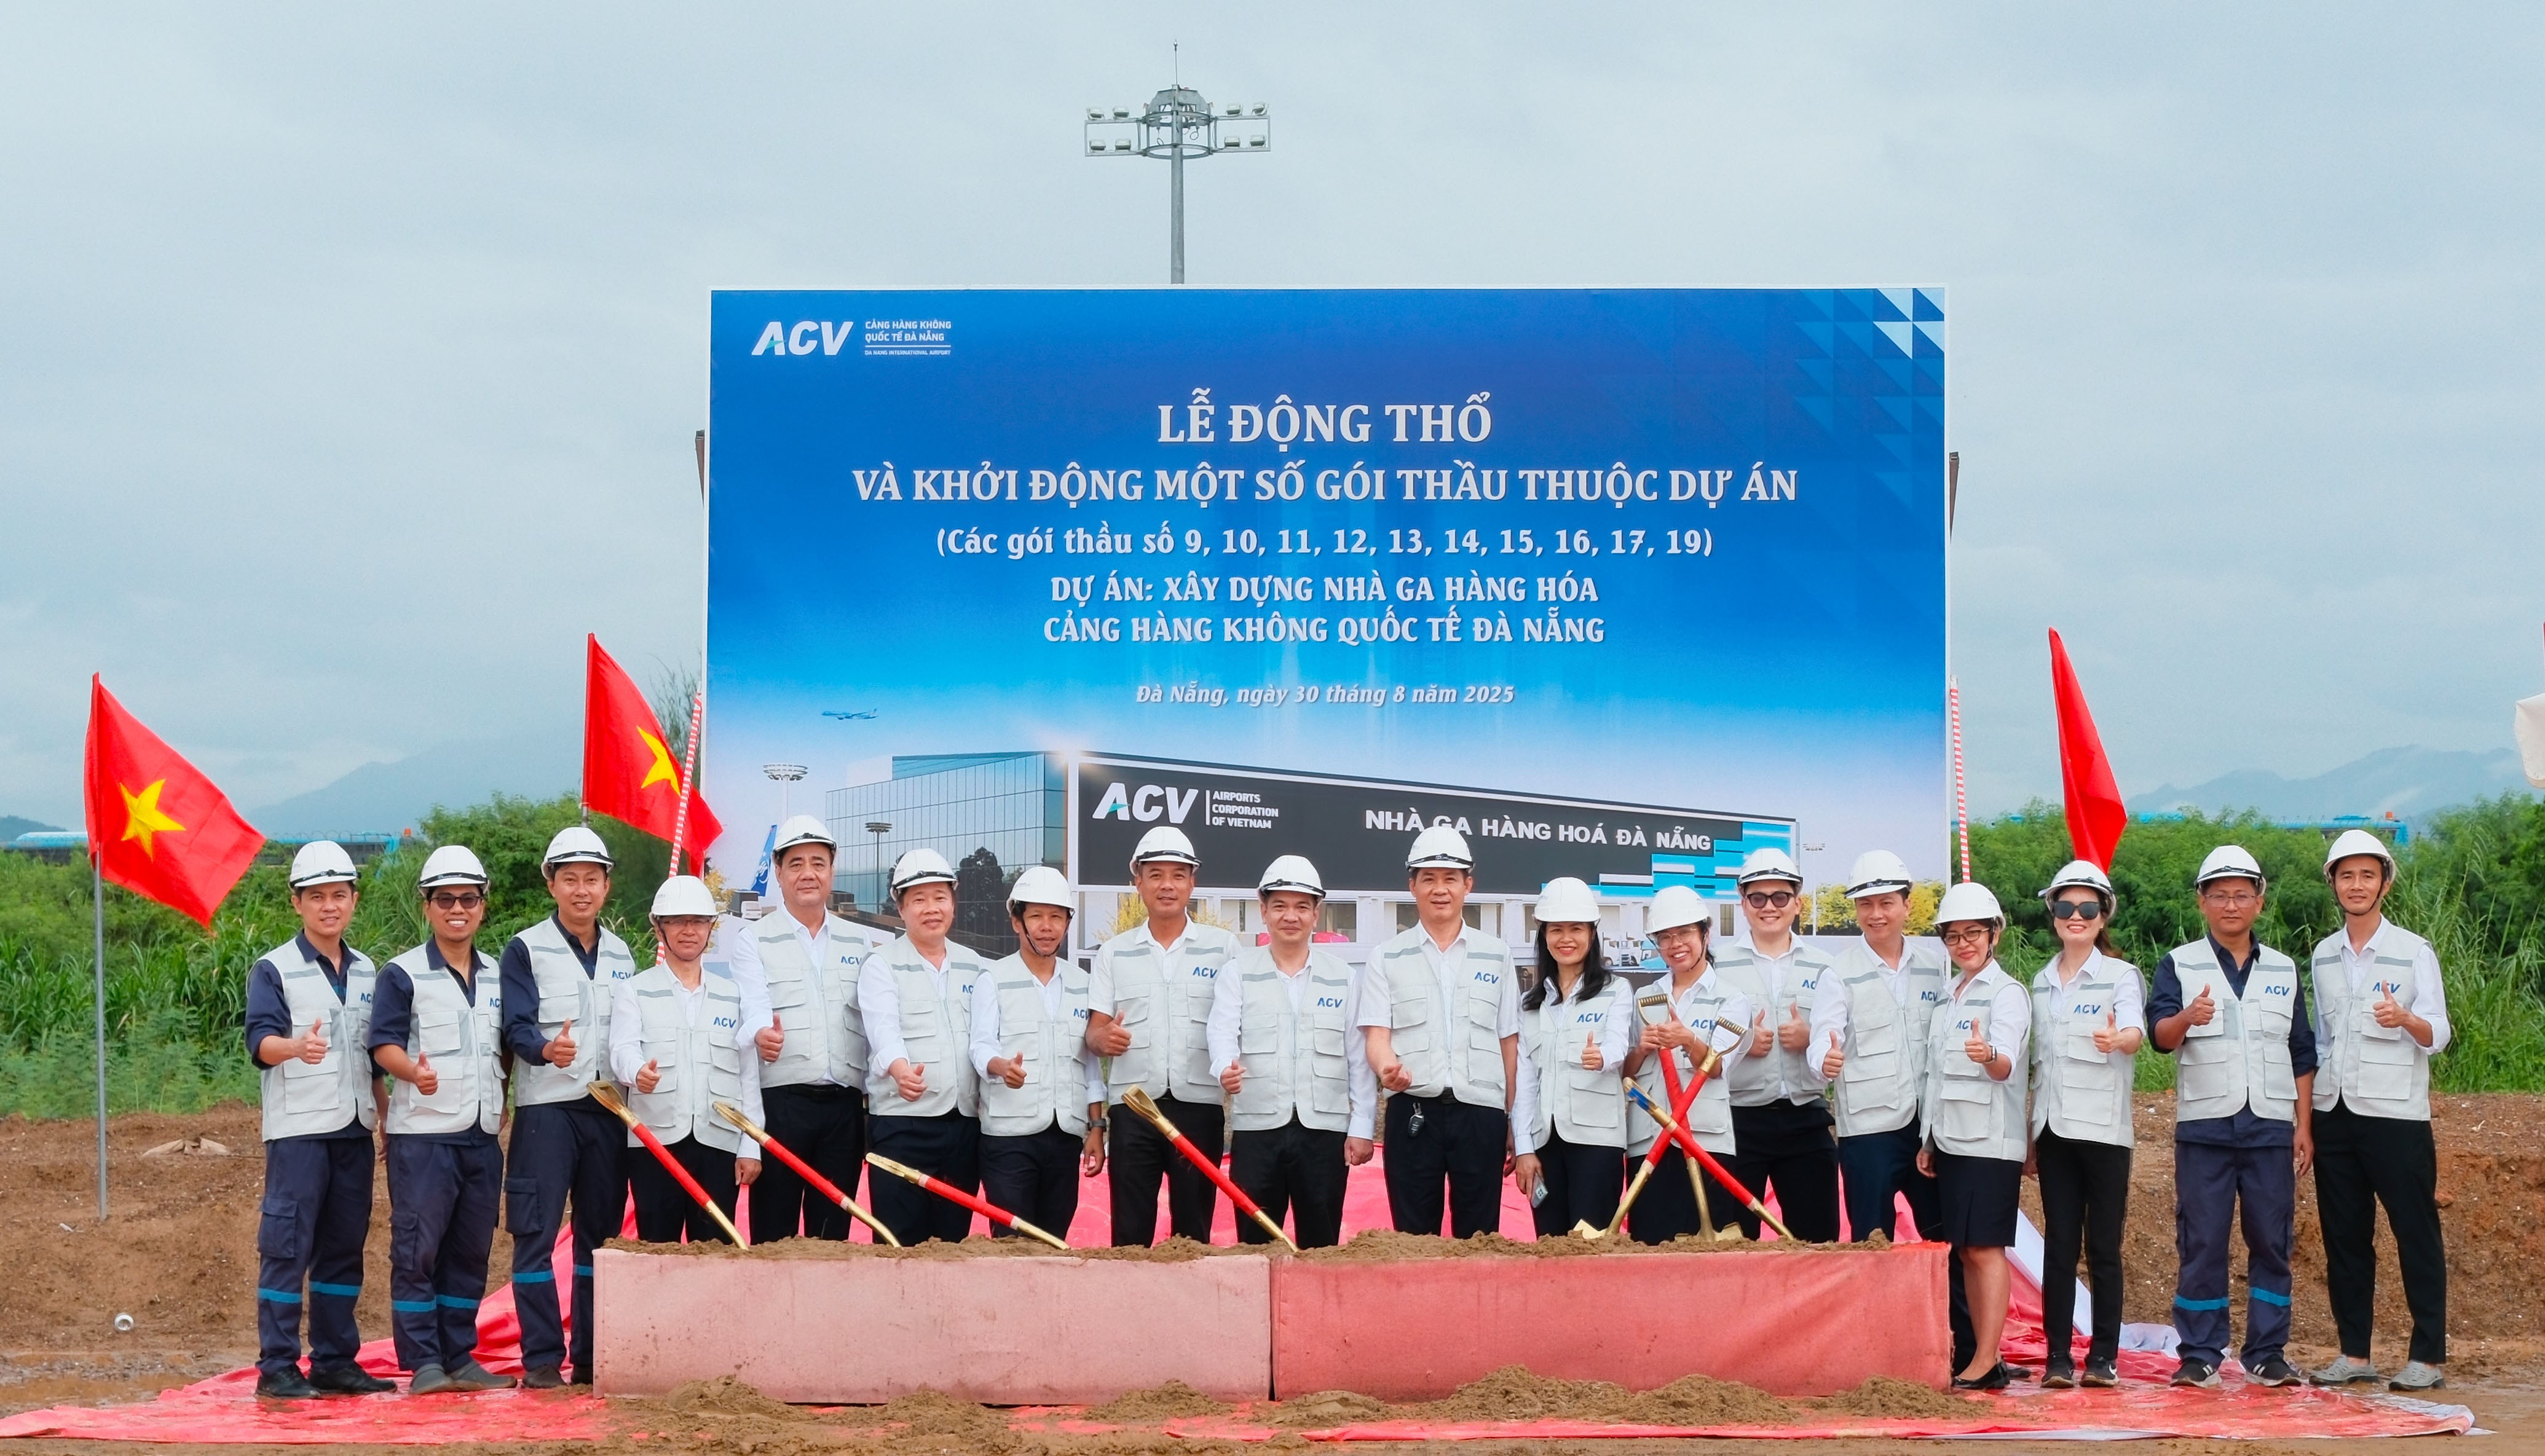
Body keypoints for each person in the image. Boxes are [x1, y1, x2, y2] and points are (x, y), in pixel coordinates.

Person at [2147, 844, 2316, 1390]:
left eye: (2242, 894)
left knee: (2271, 1240)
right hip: (2205, 1128)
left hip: (2270, 1127)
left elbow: (2301, 1051)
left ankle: (2266, 1352)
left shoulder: (2284, 968)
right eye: (2219, 895)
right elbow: (2159, 1037)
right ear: (2202, 901)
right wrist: (2187, 1017)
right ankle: (2200, 1352)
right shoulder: (2179, 963)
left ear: (2259, 902)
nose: (2231, 905)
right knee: (2203, 1240)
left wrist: (2304, 1125)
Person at [242, 841, 394, 1399]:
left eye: (339, 895)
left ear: (354, 899)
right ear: (297, 902)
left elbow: (370, 1053)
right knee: (287, 1246)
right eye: (317, 896)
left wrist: (383, 1113)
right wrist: (295, 1047)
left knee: (343, 1247)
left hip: (353, 1130)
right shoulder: (274, 969)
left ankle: (334, 1361)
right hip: (299, 1132)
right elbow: (259, 1042)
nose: (329, 906)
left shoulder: (367, 970)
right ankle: (277, 1366)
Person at [2306, 829, 2451, 1393]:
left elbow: (2439, 1032)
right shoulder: (2323, 954)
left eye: (2368, 874)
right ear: (2333, 884)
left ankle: (2428, 1357)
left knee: (2415, 1232)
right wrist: (2309, 1116)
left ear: (2384, 883)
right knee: (2345, 1236)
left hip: (2396, 1116)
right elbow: (2322, 1039)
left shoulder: (2413, 951)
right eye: (2346, 875)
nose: (2357, 885)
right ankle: (2355, 1352)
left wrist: (2407, 1020)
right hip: (2335, 1111)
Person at [368, 846, 513, 1395]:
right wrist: (413, 1072)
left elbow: (505, 1047)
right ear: (427, 905)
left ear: (483, 904)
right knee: (418, 1249)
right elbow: (382, 1044)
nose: (458, 909)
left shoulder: (498, 975)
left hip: (480, 1136)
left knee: (471, 1249)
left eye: (468, 899)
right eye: (445, 899)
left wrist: (500, 1095)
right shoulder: (402, 973)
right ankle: (424, 1361)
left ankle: (459, 1355)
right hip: (423, 1138)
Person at [500, 825, 637, 1390]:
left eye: (592, 879)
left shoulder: (623, 953)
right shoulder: (526, 948)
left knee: (599, 1238)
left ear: (607, 886)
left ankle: (589, 1357)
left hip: (607, 1111)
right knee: (535, 1232)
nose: (582, 890)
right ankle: (540, 1359)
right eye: (570, 879)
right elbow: (515, 1025)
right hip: (547, 1110)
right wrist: (543, 1049)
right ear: (551, 884)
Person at [1359, 825, 1522, 1238]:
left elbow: (1509, 1042)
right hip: (1413, 1112)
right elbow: (1377, 1037)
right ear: (1412, 886)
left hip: (1482, 1115)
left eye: (1450, 878)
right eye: (1428, 878)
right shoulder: (1386, 957)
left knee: (1480, 1238)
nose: (1440, 889)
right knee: (1413, 1240)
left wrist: (1513, 1120)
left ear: (1468, 885)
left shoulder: (1497, 955)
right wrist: (1387, 1068)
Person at [1207, 856, 1376, 1248]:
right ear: (1263, 910)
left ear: (1317, 914)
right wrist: (1223, 1068)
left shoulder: (1343, 978)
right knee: (1256, 1243)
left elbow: (1358, 1057)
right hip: (1257, 1131)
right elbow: (1222, 1031)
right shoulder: (1238, 972)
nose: (1290, 916)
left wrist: (1362, 1127)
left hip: (1324, 1134)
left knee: (1321, 1244)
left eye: (1302, 907)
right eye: (1280, 906)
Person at [1084, 826, 1241, 1245]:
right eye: (1155, 874)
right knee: (1130, 1232)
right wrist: (1104, 1039)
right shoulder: (1114, 952)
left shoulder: (1224, 948)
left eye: (1178, 875)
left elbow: (1239, 1023)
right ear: (1137, 881)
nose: (1167, 885)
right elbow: (1094, 1032)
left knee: (1193, 1232)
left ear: (1193, 881)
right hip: (1133, 1109)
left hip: (1199, 1109)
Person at [2024, 860, 2143, 1390]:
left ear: (2103, 916)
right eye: (2067, 906)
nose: (2077, 915)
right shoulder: (2040, 982)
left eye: (2088, 907)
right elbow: (2038, 1065)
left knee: (2103, 1248)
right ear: (2054, 914)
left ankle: (2103, 1357)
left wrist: (2120, 1039)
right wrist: (2030, 1136)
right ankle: (2057, 1357)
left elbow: (2135, 1029)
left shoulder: (2121, 976)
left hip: (2104, 1132)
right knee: (2059, 1247)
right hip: (2054, 1133)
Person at [728, 815, 874, 1242]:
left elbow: (875, 1021)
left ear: (832, 870)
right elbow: (753, 1005)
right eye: (795, 863)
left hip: (844, 1110)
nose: (808, 873)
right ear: (778, 872)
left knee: (833, 1235)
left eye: (818, 863)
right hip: (781, 1106)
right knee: (775, 1235)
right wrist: (762, 1032)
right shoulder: (753, 939)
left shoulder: (859, 941)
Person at [1916, 881, 2032, 1391]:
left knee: (1986, 1249)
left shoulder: (2007, 994)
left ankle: (1985, 1359)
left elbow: (2005, 1062)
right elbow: (1935, 1077)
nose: (1963, 944)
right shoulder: (1949, 997)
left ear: (1994, 934)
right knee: (1965, 1250)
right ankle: (1986, 1356)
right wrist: (1928, 1140)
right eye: (1953, 935)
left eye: (1973, 933)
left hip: (1990, 1143)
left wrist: (1989, 1056)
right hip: (1952, 1141)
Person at [610, 875, 763, 1242]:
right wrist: (636, 1072)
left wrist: (750, 1145)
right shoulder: (635, 991)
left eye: (698, 921)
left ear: (711, 927)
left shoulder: (734, 996)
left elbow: (747, 1077)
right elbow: (621, 1050)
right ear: (658, 927)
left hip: (719, 1145)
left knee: (714, 1256)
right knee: (658, 1253)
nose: (689, 931)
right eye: (677, 921)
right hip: (655, 1147)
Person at [1811, 849, 1947, 1243]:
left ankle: (1946, 1291)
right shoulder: (1838, 973)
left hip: (1927, 1128)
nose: (1876, 914)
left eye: (1886, 903)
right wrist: (1824, 1060)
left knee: (1943, 1238)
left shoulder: (1932, 967)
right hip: (1868, 1133)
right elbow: (1823, 1035)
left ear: (1907, 905)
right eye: (1866, 905)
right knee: (1872, 1242)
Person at [1710, 847, 1841, 1242]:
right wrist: (1742, 1044)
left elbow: (1839, 1034)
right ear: (1743, 904)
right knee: (1734, 1243)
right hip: (1738, 1122)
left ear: (1797, 903)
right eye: (1758, 898)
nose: (1770, 907)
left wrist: (1810, 1037)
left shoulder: (1824, 965)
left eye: (1781, 897)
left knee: (1816, 1242)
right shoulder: (1718, 965)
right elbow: (1701, 1041)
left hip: (1806, 1120)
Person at [859, 848, 989, 1245]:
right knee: (900, 1245)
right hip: (902, 1125)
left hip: (963, 1125)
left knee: (952, 1242)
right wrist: (900, 1070)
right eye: (918, 899)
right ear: (900, 907)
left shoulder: (975, 965)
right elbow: (883, 1029)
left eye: (940, 897)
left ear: (953, 901)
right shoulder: (881, 963)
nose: (931, 908)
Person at [971, 867, 1105, 1238]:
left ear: (1067, 923)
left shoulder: (1083, 984)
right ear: (1017, 922)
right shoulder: (993, 979)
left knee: (1053, 1242)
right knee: (1012, 1243)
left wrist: (1097, 1128)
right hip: (1008, 1139)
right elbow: (980, 1045)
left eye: (1056, 917)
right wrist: (1000, 1066)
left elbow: (1090, 1064)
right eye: (1036, 917)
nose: (1047, 927)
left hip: (1065, 1136)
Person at [1620, 884, 1753, 1243]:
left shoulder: (1731, 999)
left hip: (1706, 1143)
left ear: (1705, 934)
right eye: (1665, 937)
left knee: (1704, 1253)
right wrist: (1642, 1049)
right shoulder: (1645, 996)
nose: (1675, 944)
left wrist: (1689, 1040)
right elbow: (1626, 1074)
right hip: (1650, 1142)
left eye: (1684, 933)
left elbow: (1718, 1067)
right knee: (1650, 1246)